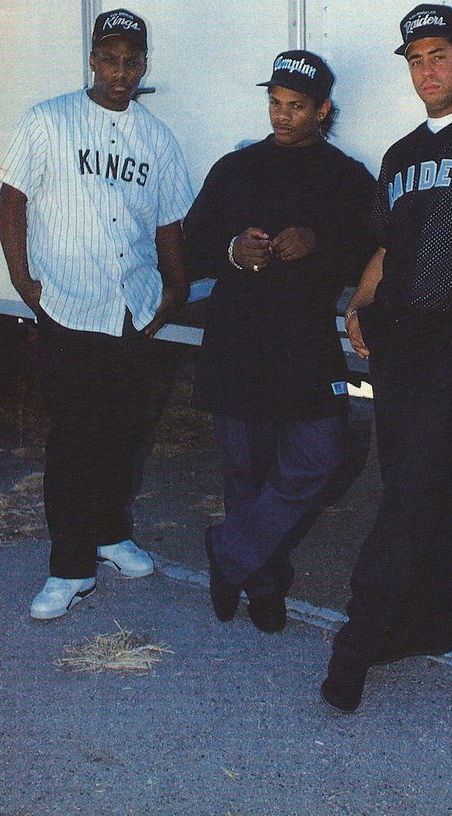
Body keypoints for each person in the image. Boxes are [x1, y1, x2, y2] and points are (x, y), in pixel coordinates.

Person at [321, 4, 452, 712]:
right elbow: (384, 245)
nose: (427, 70)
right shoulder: (401, 153)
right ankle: (429, 625)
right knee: (409, 480)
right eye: (415, 59)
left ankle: (356, 641)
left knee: (411, 490)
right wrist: (355, 307)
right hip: (395, 336)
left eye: (439, 55)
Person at [0, 8, 194, 620]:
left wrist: (174, 290)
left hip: (132, 310)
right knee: (75, 439)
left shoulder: (155, 137)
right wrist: (25, 281)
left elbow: (168, 225)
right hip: (69, 306)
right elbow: (11, 200)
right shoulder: (48, 121)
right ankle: (69, 565)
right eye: (109, 58)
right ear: (92, 60)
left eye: (131, 60)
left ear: (143, 65)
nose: (120, 71)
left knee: (124, 433)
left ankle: (111, 534)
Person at [183, 50, 375, 633]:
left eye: (296, 107)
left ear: (323, 111)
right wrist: (231, 252)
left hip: (303, 342)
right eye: (275, 103)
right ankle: (262, 586)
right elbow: (190, 247)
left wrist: (317, 242)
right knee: (245, 470)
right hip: (237, 338)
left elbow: (373, 256)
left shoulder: (347, 177)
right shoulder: (235, 169)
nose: (282, 116)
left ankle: (233, 555)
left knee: (318, 457)